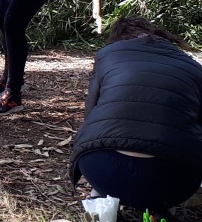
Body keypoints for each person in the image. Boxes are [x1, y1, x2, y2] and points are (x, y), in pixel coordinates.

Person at [69, 16, 202, 221]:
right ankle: (160, 208)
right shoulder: (193, 67)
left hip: (101, 167)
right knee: (167, 179)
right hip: (173, 178)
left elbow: (90, 114)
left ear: (118, 38)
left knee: (101, 154)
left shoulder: (107, 54)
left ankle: (101, 202)